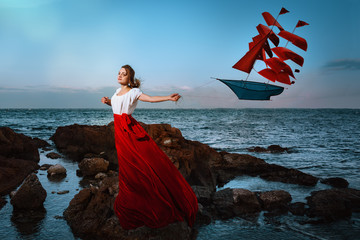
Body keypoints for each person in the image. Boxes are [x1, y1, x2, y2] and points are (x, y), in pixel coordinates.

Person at [101, 65, 198, 230]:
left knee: (139, 162)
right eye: (119, 73)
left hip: (129, 131)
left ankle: (152, 197)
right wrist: (108, 102)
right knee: (127, 166)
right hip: (119, 132)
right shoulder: (116, 91)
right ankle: (133, 194)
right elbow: (117, 106)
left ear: (130, 79)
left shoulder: (134, 92)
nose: (120, 76)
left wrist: (168, 97)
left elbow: (151, 99)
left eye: (123, 74)